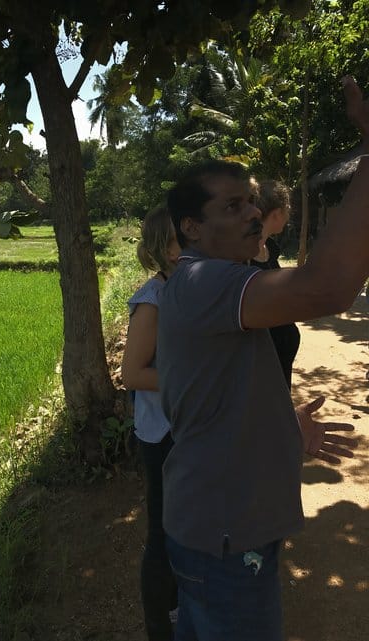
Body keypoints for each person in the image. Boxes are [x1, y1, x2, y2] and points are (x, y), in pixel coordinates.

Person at [155, 76, 369, 641]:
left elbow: (222, 392)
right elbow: (328, 288)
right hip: (226, 534)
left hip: (215, 524)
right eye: (234, 205)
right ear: (192, 228)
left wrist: (282, 431)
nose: (254, 212)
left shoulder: (223, 283)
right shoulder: (204, 280)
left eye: (252, 199)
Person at [122, 207, 181, 641]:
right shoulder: (153, 299)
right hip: (161, 435)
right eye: (187, 238)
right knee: (163, 533)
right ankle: (160, 626)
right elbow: (132, 374)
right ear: (165, 248)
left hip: (186, 429)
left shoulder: (186, 290)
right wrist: (191, 380)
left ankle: (184, 613)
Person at [250, 180, 302, 380]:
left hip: (280, 365)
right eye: (287, 209)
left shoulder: (269, 250)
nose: (289, 215)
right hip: (259, 370)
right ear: (277, 213)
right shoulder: (243, 257)